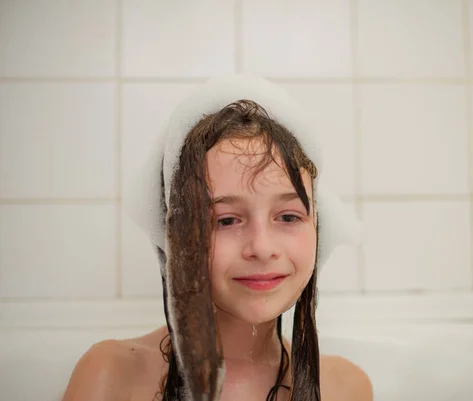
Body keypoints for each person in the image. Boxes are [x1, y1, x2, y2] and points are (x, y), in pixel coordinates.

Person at [61, 75, 372, 401]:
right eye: (226, 220)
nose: (262, 248)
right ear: (177, 235)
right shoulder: (112, 377)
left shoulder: (345, 388)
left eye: (289, 216)